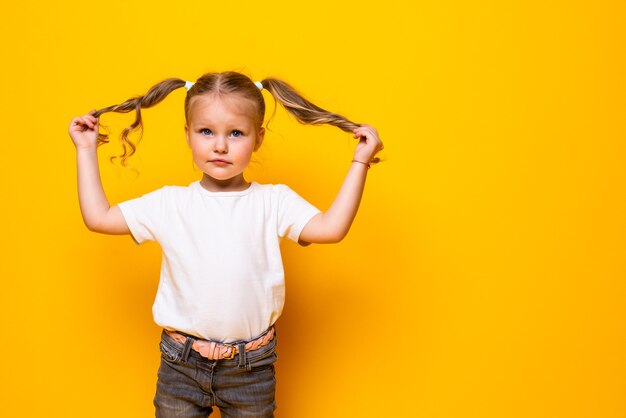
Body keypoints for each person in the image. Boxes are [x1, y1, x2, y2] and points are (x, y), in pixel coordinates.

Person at [68, 71, 383, 418]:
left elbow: (332, 228)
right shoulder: (170, 204)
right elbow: (98, 217)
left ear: (257, 138)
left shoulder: (273, 202)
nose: (220, 145)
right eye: (206, 132)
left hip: (251, 367)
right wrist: (85, 149)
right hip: (180, 364)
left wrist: (360, 162)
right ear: (187, 135)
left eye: (235, 133)